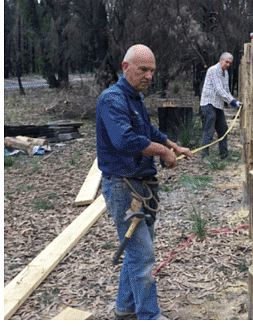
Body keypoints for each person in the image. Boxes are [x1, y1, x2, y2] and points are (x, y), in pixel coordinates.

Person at [95, 44, 192, 320]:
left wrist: (173, 145)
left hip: (141, 183)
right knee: (142, 254)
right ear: (126, 68)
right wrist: (162, 152)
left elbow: (147, 131)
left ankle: (125, 308)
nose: (149, 76)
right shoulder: (111, 99)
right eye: (143, 70)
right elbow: (124, 140)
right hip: (124, 187)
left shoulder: (135, 98)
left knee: (137, 250)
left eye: (152, 71)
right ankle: (150, 316)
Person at [199, 52, 241, 160]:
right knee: (209, 131)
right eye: (226, 62)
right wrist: (232, 102)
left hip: (218, 105)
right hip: (208, 104)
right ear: (221, 60)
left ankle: (224, 155)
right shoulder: (213, 70)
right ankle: (204, 158)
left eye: (230, 63)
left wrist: (235, 102)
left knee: (223, 129)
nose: (227, 64)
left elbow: (226, 91)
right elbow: (219, 90)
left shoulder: (225, 73)